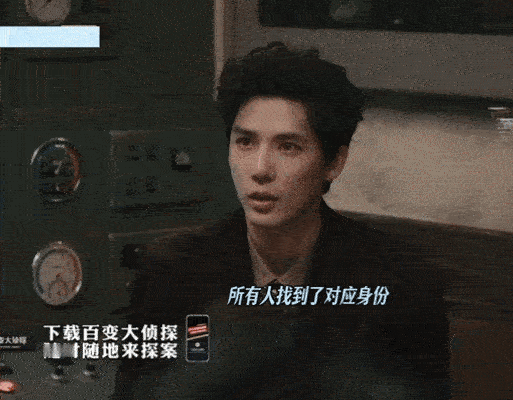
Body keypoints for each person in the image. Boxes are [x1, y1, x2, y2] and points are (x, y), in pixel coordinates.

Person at [112, 42, 453, 399]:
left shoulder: (400, 281)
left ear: (334, 162)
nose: (260, 170)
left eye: (288, 146)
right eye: (245, 142)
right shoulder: (173, 271)